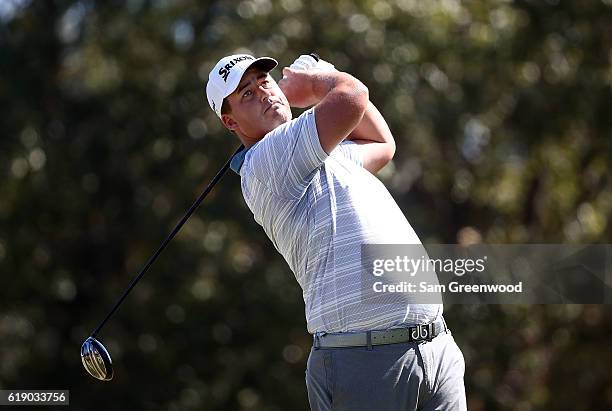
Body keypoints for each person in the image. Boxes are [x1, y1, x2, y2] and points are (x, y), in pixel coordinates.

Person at [206, 53, 467, 410]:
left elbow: (381, 144)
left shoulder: (322, 155)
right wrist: (316, 84)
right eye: (246, 94)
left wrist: (325, 79)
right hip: (364, 359)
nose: (264, 93)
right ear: (230, 121)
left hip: (434, 347)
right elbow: (353, 97)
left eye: (264, 81)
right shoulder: (267, 159)